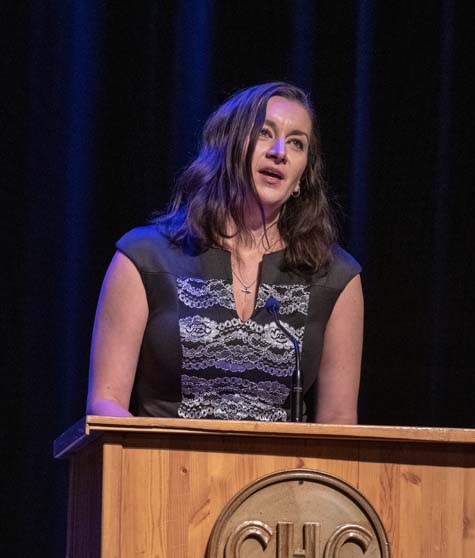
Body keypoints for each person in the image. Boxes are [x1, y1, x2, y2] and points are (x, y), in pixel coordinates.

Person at [86, 82, 363, 424]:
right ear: (227, 146)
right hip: (165, 472)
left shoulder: (334, 275)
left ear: (301, 179)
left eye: (296, 143)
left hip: (281, 477)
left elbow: (338, 419)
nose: (280, 152)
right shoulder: (145, 258)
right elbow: (106, 403)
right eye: (264, 133)